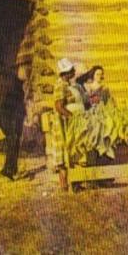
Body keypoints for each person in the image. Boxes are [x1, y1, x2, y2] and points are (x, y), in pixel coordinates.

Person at [53, 58, 77, 190]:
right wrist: (72, 117)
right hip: (62, 122)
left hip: (68, 122)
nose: (74, 72)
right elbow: (59, 106)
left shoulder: (67, 84)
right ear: (65, 73)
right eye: (71, 70)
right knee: (63, 152)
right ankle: (64, 185)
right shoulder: (60, 85)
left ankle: (72, 182)